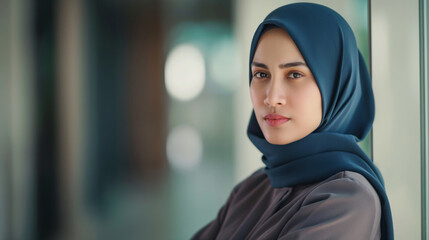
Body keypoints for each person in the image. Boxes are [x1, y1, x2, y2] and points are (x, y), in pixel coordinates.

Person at [191, 3, 393, 240]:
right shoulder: (255, 187)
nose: (271, 98)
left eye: (295, 74)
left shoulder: (347, 199)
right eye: (261, 74)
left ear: (336, 84)